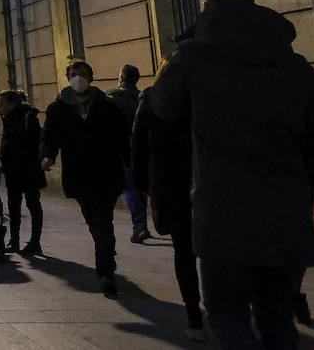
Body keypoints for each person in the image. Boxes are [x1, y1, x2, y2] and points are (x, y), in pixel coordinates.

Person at [148, 0, 314, 349]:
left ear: (207, 8)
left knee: (228, 318)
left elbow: (163, 105)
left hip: (223, 214)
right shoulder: (294, 63)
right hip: (286, 214)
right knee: (278, 321)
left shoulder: (194, 57)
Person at [41, 59, 129, 296]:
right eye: (73, 74)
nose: (77, 78)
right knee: (95, 221)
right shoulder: (58, 108)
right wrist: (48, 156)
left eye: (81, 74)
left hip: (106, 173)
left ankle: (106, 270)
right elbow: (50, 137)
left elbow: (122, 138)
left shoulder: (107, 106)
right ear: (68, 77)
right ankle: (106, 259)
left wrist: (129, 163)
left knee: (104, 222)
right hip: (79, 174)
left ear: (90, 77)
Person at [131, 76, 204, 342]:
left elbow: (137, 146)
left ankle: (195, 316)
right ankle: (217, 313)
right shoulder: (213, 92)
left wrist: (143, 186)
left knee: (184, 252)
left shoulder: (152, 99)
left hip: (172, 185)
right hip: (210, 183)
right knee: (214, 252)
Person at [0, 89, 44, 255]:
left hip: (28, 169)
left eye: (1, 104)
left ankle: (35, 242)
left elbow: (35, 142)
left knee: (33, 204)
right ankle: (15, 241)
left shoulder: (28, 117)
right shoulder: (8, 118)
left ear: (11, 104)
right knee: (14, 206)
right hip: (13, 171)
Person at [107, 63, 150, 243]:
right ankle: (142, 225)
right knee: (139, 187)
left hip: (122, 149)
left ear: (122, 78)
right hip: (142, 149)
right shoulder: (142, 97)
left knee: (129, 187)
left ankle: (139, 225)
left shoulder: (113, 96)